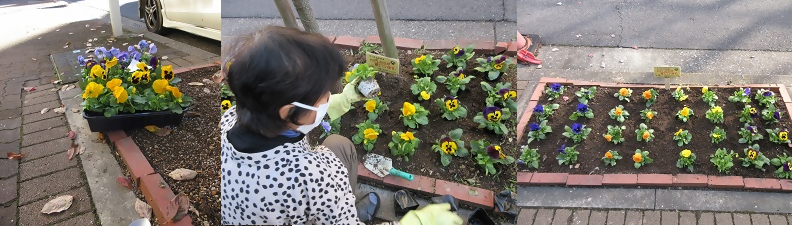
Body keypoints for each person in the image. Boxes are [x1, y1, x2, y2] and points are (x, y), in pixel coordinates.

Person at [220, 26, 462, 225]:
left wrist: (344, 99)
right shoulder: (315, 176)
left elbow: (295, 120)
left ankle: (340, 207)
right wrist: (416, 222)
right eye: (322, 94)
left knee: (339, 144)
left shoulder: (232, 118)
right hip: (308, 200)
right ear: (288, 110)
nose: (327, 97)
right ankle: (343, 210)